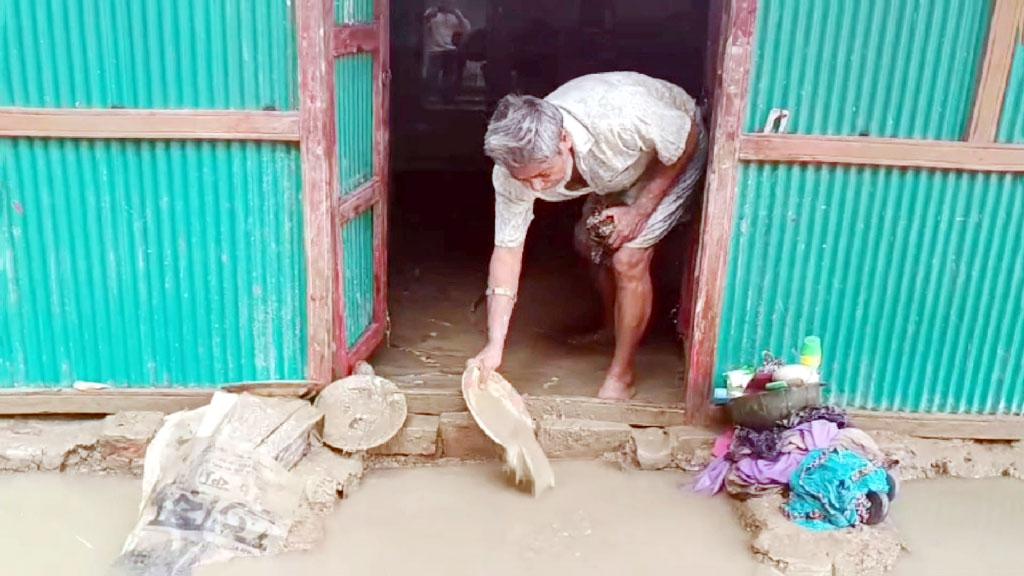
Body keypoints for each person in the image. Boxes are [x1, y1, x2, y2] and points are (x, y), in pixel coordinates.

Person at [470, 72, 707, 400]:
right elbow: (507, 251)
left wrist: (639, 211)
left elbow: (686, 136)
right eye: (526, 180)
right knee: (589, 242)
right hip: (614, 171)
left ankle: (622, 375)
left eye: (543, 174)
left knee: (628, 259)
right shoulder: (513, 172)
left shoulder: (621, 118)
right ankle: (612, 328)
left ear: (564, 139)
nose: (537, 187)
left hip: (671, 150)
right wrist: (494, 346)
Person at [422, 0, 471, 103]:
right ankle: (431, 99)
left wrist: (458, 15)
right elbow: (423, 24)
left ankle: (447, 99)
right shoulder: (432, 13)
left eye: (448, 2)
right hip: (435, 50)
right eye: (443, 2)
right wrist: (429, 17)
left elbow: (467, 30)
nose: (445, 4)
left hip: (451, 50)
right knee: (432, 76)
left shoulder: (455, 15)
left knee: (449, 77)